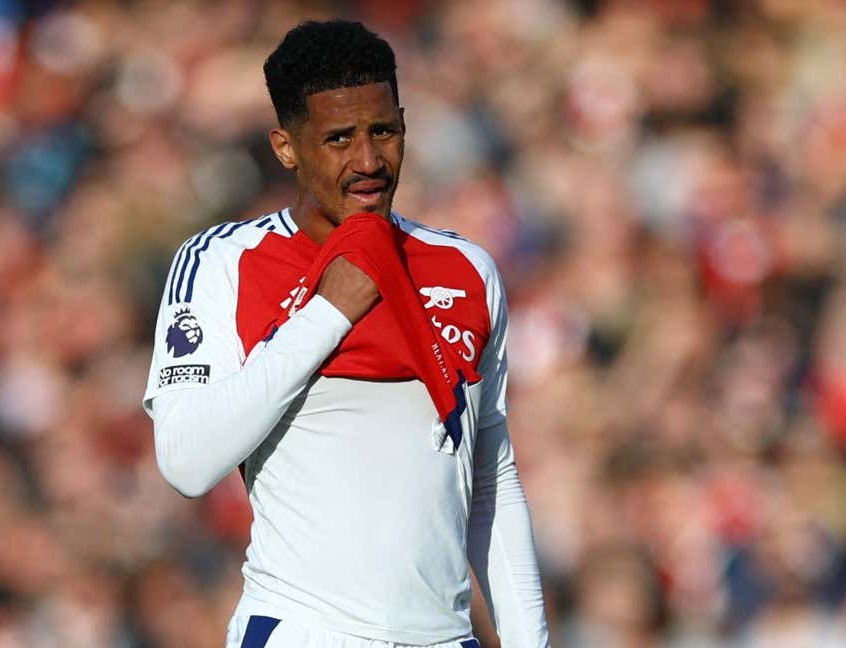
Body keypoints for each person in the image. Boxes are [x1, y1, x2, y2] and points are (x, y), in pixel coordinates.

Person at [144, 19, 550, 648]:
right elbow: (186, 462)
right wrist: (327, 315)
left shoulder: (465, 269)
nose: (368, 162)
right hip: (305, 631)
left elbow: (490, 479)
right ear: (286, 147)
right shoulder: (223, 261)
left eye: (383, 131)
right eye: (338, 139)